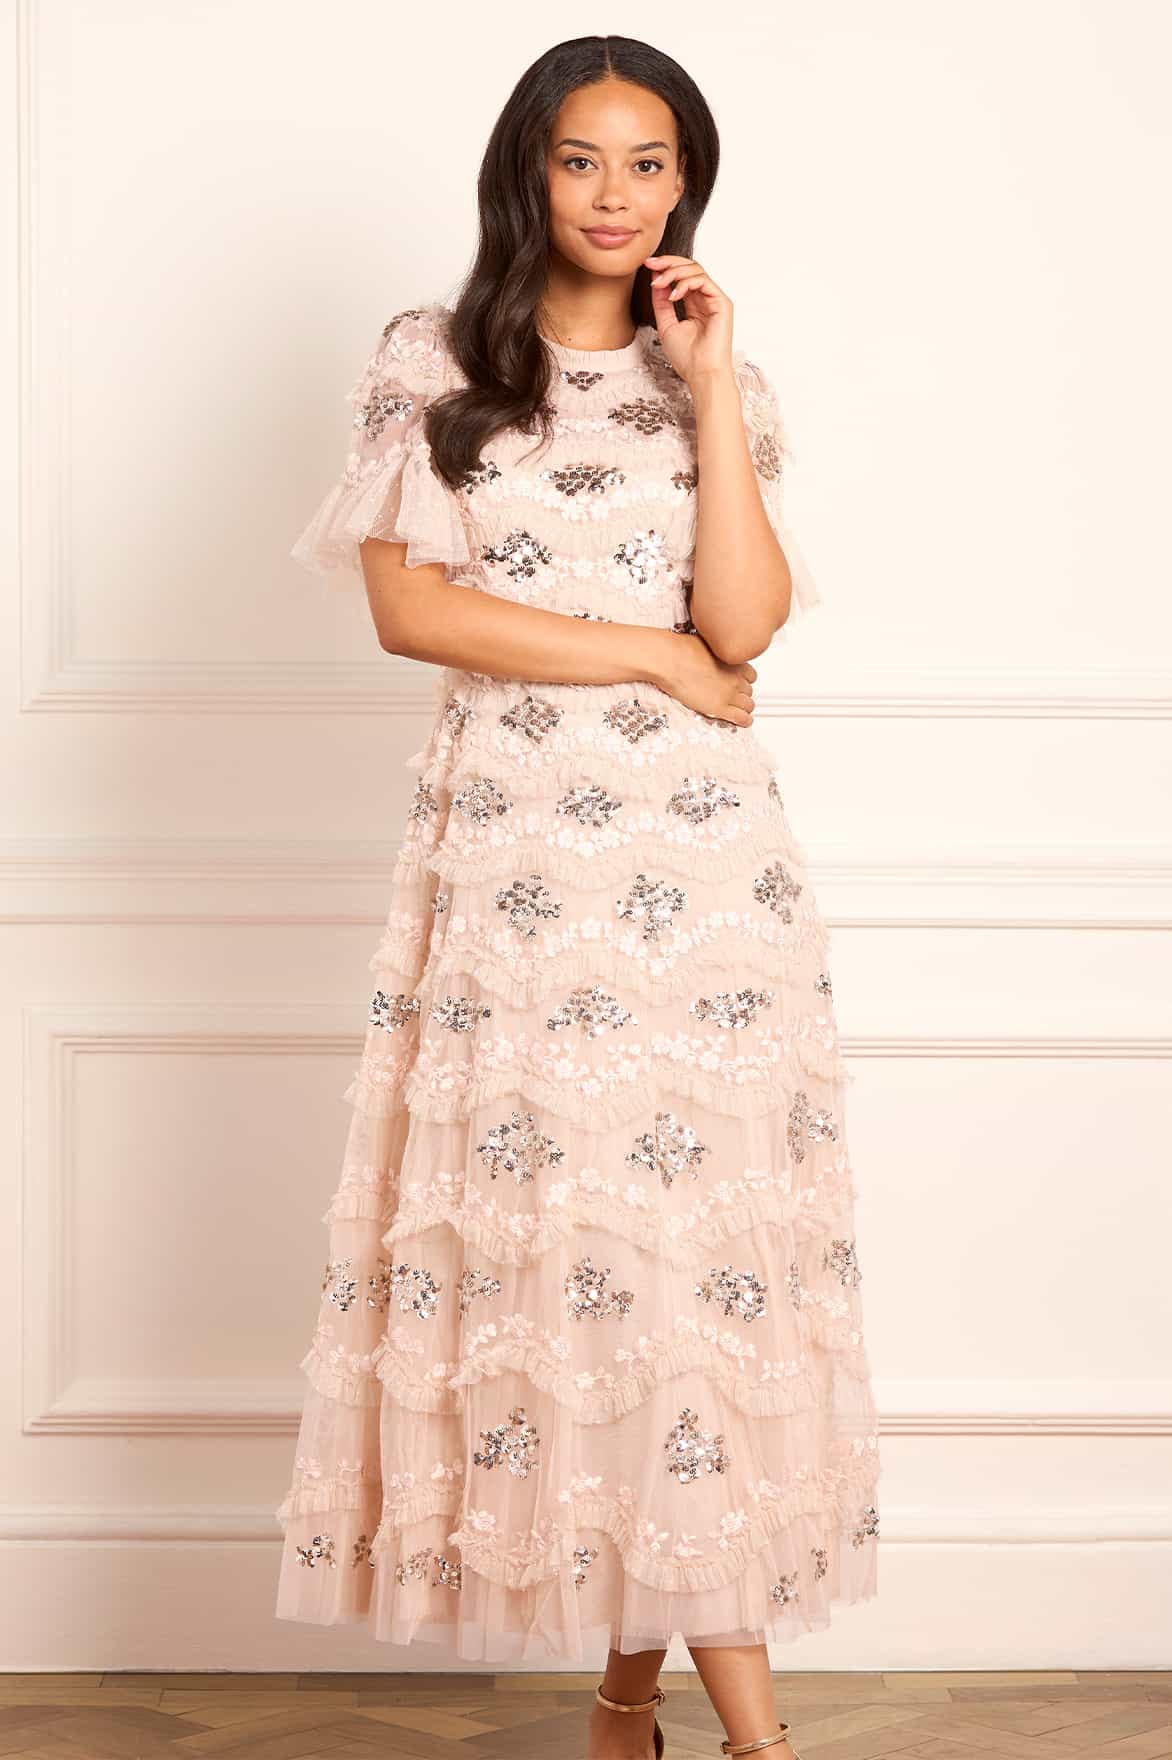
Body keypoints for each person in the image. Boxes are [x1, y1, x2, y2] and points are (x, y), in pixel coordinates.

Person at [274, 34, 880, 1760]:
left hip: (710, 884)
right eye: (581, 160)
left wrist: (711, 387)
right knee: (585, 1269)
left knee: (697, 1275)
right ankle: (728, 1729)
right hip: (522, 879)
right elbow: (414, 612)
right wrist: (651, 659)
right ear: (527, 173)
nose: (617, 196)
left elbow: (742, 625)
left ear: (688, 181)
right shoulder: (436, 358)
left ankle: (647, 1700)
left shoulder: (722, 383)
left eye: (649, 162)